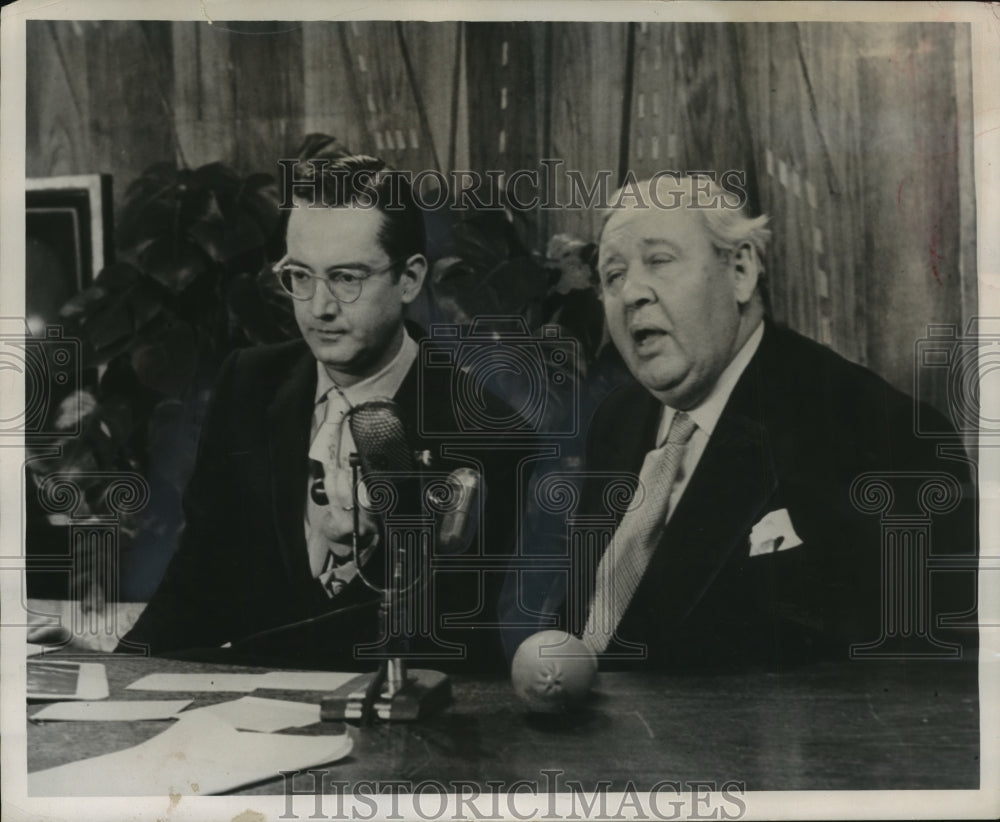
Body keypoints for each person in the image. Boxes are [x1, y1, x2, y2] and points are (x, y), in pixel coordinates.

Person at [502, 174, 977, 670]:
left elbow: (902, 685)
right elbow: (590, 613)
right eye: (613, 276)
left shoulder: (878, 433)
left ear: (741, 270)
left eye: (660, 261)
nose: (631, 293)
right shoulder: (617, 421)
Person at [120, 154, 510, 669]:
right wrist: (115, 674)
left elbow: (456, 642)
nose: (319, 307)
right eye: (300, 276)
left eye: (347, 278)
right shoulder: (249, 383)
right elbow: (200, 579)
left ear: (410, 279)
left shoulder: (486, 428)